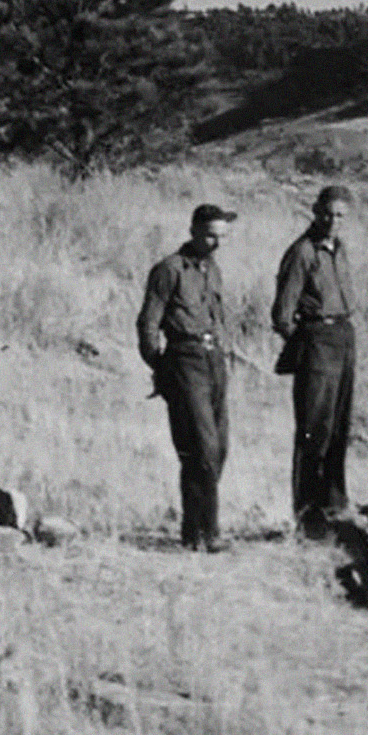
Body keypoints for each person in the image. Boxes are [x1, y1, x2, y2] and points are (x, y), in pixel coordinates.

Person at [137, 202, 236, 551]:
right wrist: (162, 367)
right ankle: (204, 534)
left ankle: (196, 528)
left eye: (222, 236)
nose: (217, 243)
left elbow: (218, 316)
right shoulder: (168, 270)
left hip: (214, 361)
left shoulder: (213, 269)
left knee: (219, 447)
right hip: (185, 360)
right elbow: (149, 323)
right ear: (193, 230)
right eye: (210, 235)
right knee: (202, 448)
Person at [272, 185, 357, 536]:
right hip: (317, 339)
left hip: (344, 335)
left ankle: (335, 505)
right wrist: (306, 342)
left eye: (340, 215)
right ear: (314, 210)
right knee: (314, 430)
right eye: (327, 213)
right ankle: (308, 516)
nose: (333, 221)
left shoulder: (340, 250)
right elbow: (281, 314)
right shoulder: (302, 252)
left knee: (339, 426)